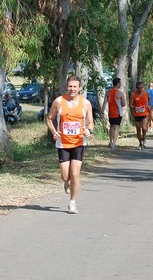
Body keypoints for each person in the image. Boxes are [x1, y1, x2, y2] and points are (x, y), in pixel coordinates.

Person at [46, 76, 95, 214]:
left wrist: (89, 130)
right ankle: (66, 183)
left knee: (75, 174)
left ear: (79, 88)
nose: (72, 89)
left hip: (79, 142)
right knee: (65, 176)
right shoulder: (59, 101)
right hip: (63, 143)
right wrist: (54, 132)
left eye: (75, 86)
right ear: (66, 87)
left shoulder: (85, 103)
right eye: (70, 86)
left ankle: (72, 203)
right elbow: (49, 118)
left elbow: (91, 122)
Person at [101, 77, 126, 149]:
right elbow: (124, 104)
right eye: (120, 83)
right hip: (118, 112)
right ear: (117, 84)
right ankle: (114, 143)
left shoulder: (108, 92)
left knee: (111, 127)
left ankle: (110, 142)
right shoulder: (120, 93)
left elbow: (105, 102)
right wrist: (120, 103)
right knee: (116, 127)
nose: (120, 84)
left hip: (110, 112)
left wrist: (102, 112)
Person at [130, 81, 149, 150]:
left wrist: (149, 105)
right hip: (137, 113)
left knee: (144, 128)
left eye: (141, 88)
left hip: (145, 113)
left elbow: (149, 99)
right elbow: (130, 104)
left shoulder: (146, 93)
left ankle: (144, 137)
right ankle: (140, 143)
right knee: (138, 128)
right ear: (136, 88)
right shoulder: (133, 94)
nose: (140, 89)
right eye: (138, 88)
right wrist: (135, 108)